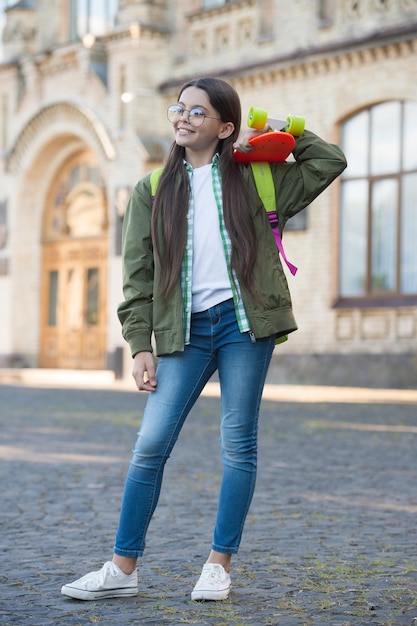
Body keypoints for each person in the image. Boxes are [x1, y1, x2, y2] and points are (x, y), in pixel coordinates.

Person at [61, 76, 347, 602]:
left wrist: (275, 129)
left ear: (225, 127)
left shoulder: (257, 177)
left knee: (238, 445)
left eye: (197, 112)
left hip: (244, 325)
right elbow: (138, 274)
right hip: (182, 331)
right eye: (179, 109)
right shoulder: (152, 190)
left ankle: (218, 564)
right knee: (149, 445)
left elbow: (328, 160)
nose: (183, 118)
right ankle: (123, 568)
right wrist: (139, 343)